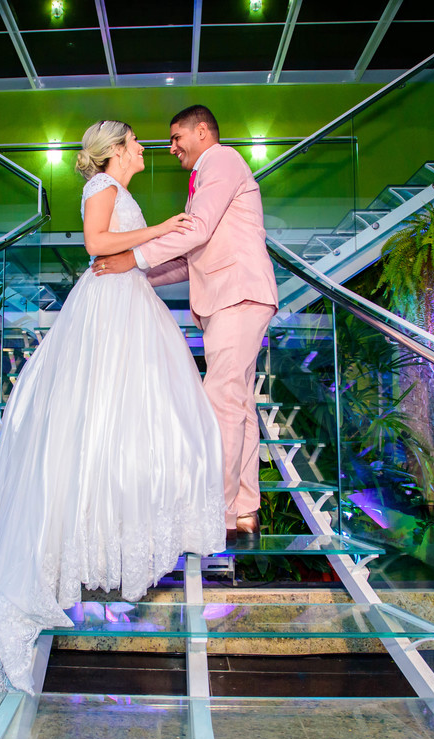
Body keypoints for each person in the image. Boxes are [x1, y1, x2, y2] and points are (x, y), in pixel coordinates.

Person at [0, 120, 226, 696]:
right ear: (115, 151)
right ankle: (85, 539)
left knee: (134, 420)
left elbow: (124, 252)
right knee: (97, 415)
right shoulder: (102, 186)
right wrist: (159, 229)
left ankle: (113, 531)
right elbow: (96, 243)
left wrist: (146, 248)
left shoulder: (120, 190)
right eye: (134, 142)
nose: (143, 148)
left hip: (129, 304)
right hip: (107, 310)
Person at [93, 105, 279, 539]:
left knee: (219, 404)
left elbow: (196, 231)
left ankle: (218, 514)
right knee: (239, 406)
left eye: (176, 137)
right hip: (231, 297)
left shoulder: (222, 160)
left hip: (238, 294)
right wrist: (137, 275)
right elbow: (191, 257)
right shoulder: (205, 177)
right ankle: (244, 509)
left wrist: (133, 259)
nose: (171, 147)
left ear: (202, 131)